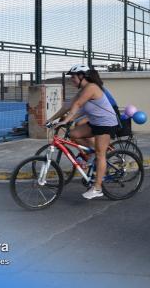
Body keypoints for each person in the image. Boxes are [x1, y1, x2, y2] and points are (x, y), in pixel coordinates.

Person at [50, 66, 119, 200]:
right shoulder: (83, 89)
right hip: (94, 123)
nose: (72, 80)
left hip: (106, 124)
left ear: (82, 76)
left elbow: (78, 104)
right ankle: (92, 152)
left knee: (101, 154)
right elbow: (67, 105)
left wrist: (66, 121)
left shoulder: (92, 87)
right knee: (73, 134)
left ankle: (97, 188)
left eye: (73, 77)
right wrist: (51, 120)